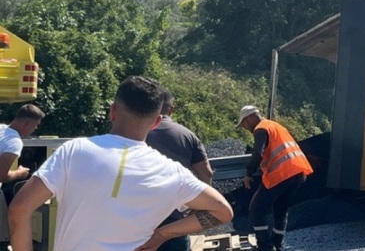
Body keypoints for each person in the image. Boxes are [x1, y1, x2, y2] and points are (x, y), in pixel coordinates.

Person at [7, 76, 233, 251]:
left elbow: (19, 209)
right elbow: (222, 212)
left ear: (112, 111)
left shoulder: (74, 151)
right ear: (155, 122)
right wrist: (163, 234)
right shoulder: (172, 173)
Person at [146, 87, 214, 251]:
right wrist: (195, 210)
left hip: (139, 220)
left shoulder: (135, 133)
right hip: (175, 221)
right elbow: (206, 174)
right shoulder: (187, 135)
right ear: (172, 109)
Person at [237, 105, 313, 251]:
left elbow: (257, 153)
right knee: (281, 209)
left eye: (244, 124)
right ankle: (278, 244)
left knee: (256, 209)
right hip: (297, 172)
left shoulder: (261, 129)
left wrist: (248, 173)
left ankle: (265, 247)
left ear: (250, 117)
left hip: (281, 174)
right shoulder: (275, 126)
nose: (245, 128)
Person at [0, 104, 45, 194]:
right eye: (35, 125)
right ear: (26, 124)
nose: (35, 128)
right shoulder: (14, 142)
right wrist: (19, 173)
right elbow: (1, 176)